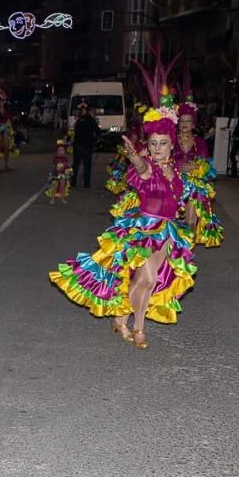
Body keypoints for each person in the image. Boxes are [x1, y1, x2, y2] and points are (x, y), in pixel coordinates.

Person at [49, 82, 195, 349]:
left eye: (163, 143)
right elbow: (140, 169)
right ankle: (138, 328)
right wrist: (135, 158)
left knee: (144, 281)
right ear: (148, 147)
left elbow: (179, 200)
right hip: (144, 230)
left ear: (170, 145)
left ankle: (121, 317)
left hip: (167, 231)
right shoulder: (148, 167)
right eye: (153, 144)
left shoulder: (175, 171)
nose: (158, 147)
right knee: (148, 279)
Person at [174, 97, 223, 248]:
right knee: (172, 222)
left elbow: (208, 167)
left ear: (193, 124)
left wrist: (194, 167)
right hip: (173, 184)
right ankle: (174, 251)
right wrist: (177, 166)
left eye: (188, 121)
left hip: (193, 187)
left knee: (190, 221)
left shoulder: (200, 142)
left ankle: (187, 252)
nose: (184, 124)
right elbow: (161, 159)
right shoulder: (170, 140)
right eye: (182, 121)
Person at [71, 102, 100, 188]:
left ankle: (73, 182)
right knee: (87, 166)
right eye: (95, 113)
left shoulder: (80, 120)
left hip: (77, 145)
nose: (95, 115)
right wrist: (95, 139)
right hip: (86, 146)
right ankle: (86, 184)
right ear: (91, 112)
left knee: (75, 165)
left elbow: (75, 131)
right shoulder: (91, 121)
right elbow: (98, 132)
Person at [46, 139, 72, 204]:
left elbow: (67, 165)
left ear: (64, 151)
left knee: (62, 186)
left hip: (63, 174)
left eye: (62, 150)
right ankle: (52, 199)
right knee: (55, 186)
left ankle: (62, 198)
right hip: (56, 174)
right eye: (59, 150)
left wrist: (68, 167)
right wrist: (63, 165)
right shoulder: (55, 157)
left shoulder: (65, 158)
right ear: (57, 151)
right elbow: (56, 163)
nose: (61, 152)